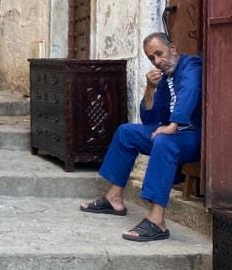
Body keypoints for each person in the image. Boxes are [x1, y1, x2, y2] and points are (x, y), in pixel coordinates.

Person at [80, 32, 202, 242]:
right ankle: (114, 198)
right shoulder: (165, 79)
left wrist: (174, 124)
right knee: (126, 132)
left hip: (194, 136)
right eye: (151, 58)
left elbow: (191, 89)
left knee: (164, 141)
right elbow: (150, 120)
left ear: (172, 49)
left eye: (159, 54)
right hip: (171, 132)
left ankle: (157, 221)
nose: (157, 61)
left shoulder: (191, 65)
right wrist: (150, 88)